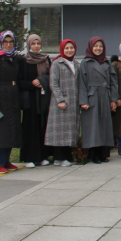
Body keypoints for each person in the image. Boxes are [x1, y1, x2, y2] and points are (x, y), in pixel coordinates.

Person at [0, 31, 27, 173]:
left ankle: (6, 160)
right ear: (1, 43)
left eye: (11, 42)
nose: (8, 45)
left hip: (13, 98)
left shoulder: (14, 58)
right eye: (6, 42)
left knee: (11, 129)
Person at [78, 37, 118, 163]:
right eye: (95, 46)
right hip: (92, 96)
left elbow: (113, 82)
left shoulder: (106, 62)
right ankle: (93, 155)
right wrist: (83, 100)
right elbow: (82, 83)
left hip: (105, 95)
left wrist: (113, 99)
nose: (98, 48)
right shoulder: (85, 62)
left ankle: (103, 154)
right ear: (90, 47)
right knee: (93, 126)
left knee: (104, 125)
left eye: (100, 46)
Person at [45, 39, 80, 167]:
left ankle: (67, 157)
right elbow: (53, 83)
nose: (69, 50)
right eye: (66, 48)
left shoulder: (76, 63)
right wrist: (60, 99)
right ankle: (59, 158)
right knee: (60, 132)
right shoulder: (56, 63)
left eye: (71, 48)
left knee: (70, 131)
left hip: (73, 102)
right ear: (62, 49)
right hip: (61, 103)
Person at [20, 34, 52, 168]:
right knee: (31, 127)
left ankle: (42, 156)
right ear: (28, 45)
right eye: (33, 44)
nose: (36, 46)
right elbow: (20, 81)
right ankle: (29, 157)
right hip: (31, 99)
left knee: (42, 126)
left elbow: (51, 76)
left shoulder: (46, 59)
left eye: (38, 43)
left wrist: (42, 81)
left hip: (43, 97)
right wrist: (33, 84)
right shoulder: (24, 60)